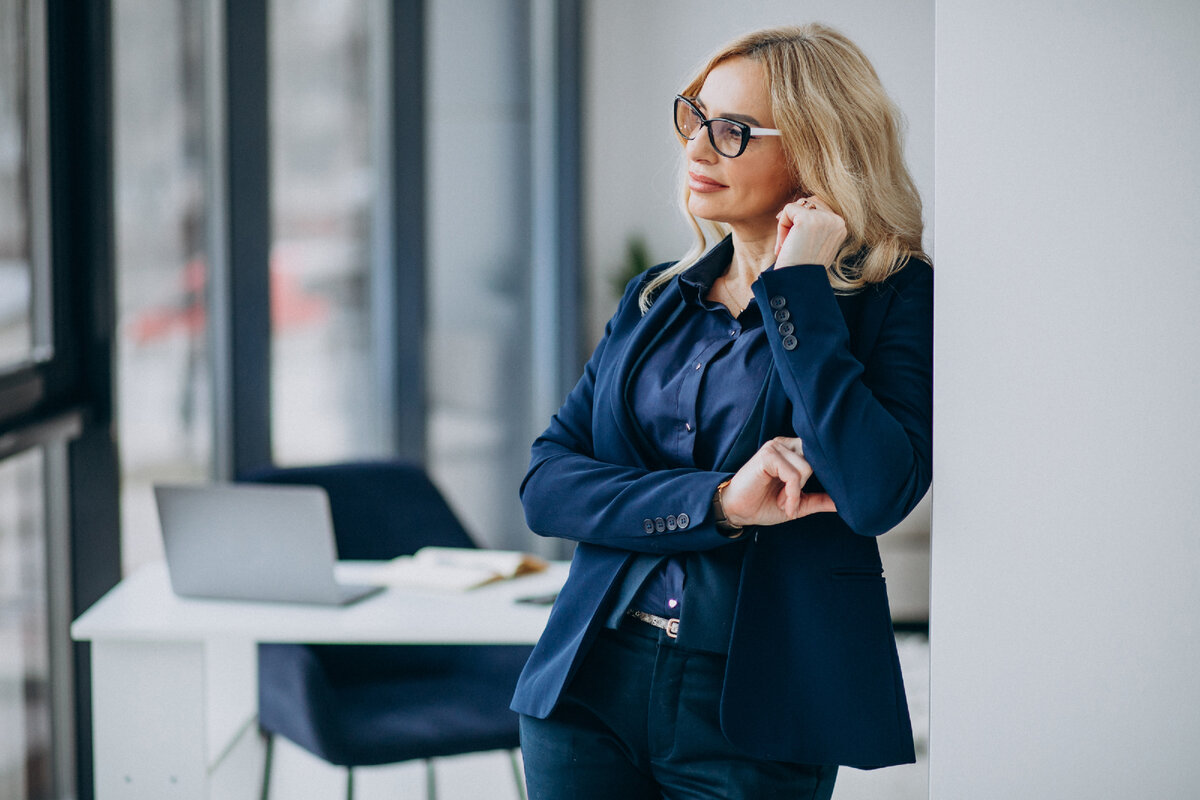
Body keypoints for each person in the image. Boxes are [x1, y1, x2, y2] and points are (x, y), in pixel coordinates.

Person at [512, 22, 932, 800]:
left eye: (733, 131)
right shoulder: (654, 299)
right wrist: (719, 503)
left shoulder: (895, 298)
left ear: (817, 150)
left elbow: (876, 492)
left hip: (756, 712)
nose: (698, 148)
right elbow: (547, 484)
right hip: (587, 687)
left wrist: (798, 290)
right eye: (694, 117)